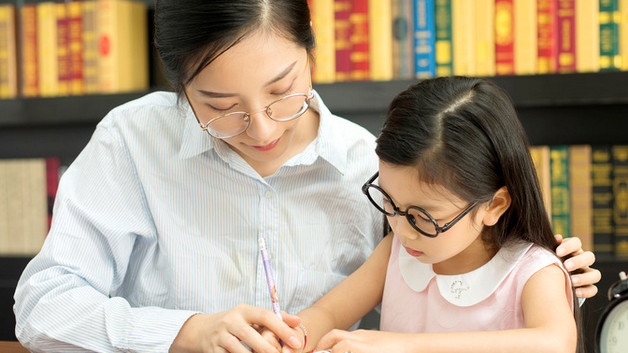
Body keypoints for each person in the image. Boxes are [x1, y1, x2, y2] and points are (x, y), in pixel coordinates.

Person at [13, 1, 598, 352]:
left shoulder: (379, 168)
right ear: (179, 85)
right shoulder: (134, 143)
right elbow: (43, 309)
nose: (262, 129)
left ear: (313, 52)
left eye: (281, 90)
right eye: (220, 106)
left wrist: (527, 254)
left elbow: (478, 262)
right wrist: (183, 332)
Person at [280, 76, 583, 353]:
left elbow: (555, 343)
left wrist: (406, 347)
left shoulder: (530, 272)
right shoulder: (398, 252)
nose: (402, 229)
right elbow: (329, 313)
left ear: (493, 205)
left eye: (423, 217)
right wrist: (292, 337)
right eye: (389, 202)